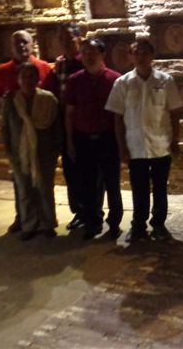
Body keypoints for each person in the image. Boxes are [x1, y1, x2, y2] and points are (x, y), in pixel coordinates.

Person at [105, 34, 183, 243]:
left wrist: (175, 140)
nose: (141, 57)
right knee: (139, 189)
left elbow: (175, 112)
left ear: (152, 55)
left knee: (160, 188)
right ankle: (138, 226)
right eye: (136, 53)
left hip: (161, 143)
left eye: (145, 53)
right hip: (135, 146)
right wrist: (122, 147)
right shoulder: (122, 83)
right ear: (131, 56)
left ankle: (158, 225)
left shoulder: (165, 81)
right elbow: (117, 117)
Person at [0, 29, 52, 233]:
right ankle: (24, 218)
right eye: (17, 43)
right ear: (11, 46)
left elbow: (52, 100)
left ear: (33, 44)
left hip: (41, 136)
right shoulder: (2, 71)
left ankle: (45, 220)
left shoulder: (44, 67)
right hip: (18, 135)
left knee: (43, 184)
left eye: (25, 42)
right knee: (21, 184)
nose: (21, 46)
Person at [65, 38, 123, 240]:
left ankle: (114, 223)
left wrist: (121, 143)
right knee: (88, 184)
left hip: (108, 138)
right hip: (83, 138)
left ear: (102, 55)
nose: (89, 56)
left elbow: (120, 115)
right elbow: (69, 113)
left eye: (93, 52)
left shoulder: (115, 79)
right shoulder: (74, 80)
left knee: (112, 183)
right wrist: (70, 141)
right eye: (85, 52)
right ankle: (93, 222)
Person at [1, 63, 60, 241]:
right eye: (23, 77)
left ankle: (48, 224)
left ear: (38, 79)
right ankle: (29, 225)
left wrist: (55, 151)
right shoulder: (11, 102)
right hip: (20, 155)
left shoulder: (48, 100)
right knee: (25, 191)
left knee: (45, 190)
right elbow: (5, 129)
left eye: (31, 76)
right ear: (18, 80)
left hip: (45, 153)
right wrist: (10, 154)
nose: (27, 80)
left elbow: (57, 128)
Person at [42, 23, 85, 231]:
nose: (65, 42)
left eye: (68, 38)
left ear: (79, 39)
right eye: (60, 39)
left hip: (84, 125)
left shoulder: (87, 61)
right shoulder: (58, 66)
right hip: (64, 126)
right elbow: (49, 93)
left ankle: (92, 211)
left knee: (89, 171)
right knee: (71, 171)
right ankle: (78, 211)